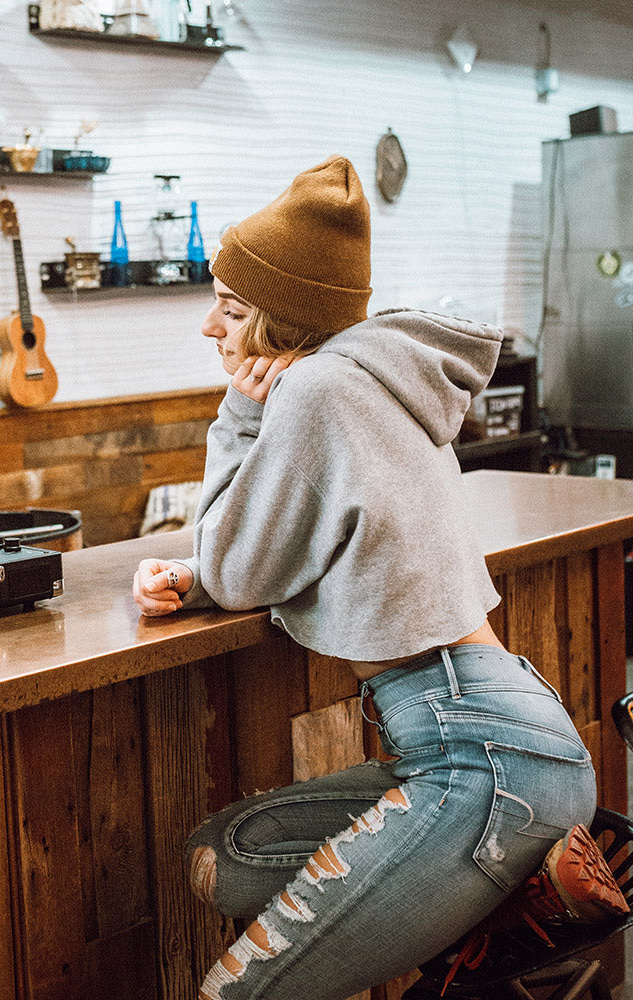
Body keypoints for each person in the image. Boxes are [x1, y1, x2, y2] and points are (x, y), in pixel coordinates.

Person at [130, 156, 614, 1000]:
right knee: (224, 859)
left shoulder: (315, 391)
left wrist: (239, 415)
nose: (213, 326)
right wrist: (201, 573)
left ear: (283, 320)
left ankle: (458, 886)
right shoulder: (375, 374)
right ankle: (464, 901)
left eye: (233, 308)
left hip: (477, 752)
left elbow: (241, 568)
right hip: (502, 731)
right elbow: (285, 547)